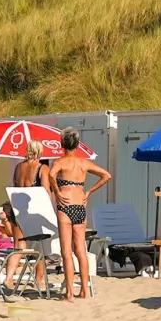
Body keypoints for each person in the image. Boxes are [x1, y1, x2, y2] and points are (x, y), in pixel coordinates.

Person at [47, 128, 110, 302]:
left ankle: (69, 293)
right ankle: (84, 290)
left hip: (65, 206)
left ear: (62, 144)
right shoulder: (84, 163)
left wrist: (58, 193)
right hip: (79, 206)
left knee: (66, 252)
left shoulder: (59, 162)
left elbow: (51, 175)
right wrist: (89, 192)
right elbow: (107, 175)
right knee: (81, 250)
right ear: (77, 145)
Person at [2, 141, 52, 292]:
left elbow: (15, 187)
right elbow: (45, 193)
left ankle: (9, 277)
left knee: (19, 247)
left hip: (18, 212)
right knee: (40, 248)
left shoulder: (18, 167)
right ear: (39, 152)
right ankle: (39, 280)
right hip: (34, 211)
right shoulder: (42, 168)